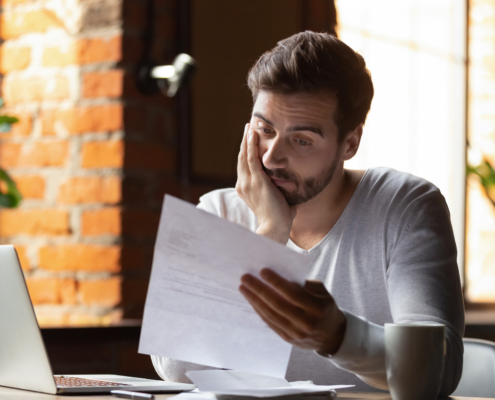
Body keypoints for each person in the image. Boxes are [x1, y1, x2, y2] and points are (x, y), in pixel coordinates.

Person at [151, 31, 464, 395]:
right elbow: (175, 367)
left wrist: (339, 337)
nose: (270, 157)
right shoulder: (218, 210)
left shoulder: (406, 205)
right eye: (264, 129)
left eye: (301, 140)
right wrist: (269, 232)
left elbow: (438, 368)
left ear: (350, 143)